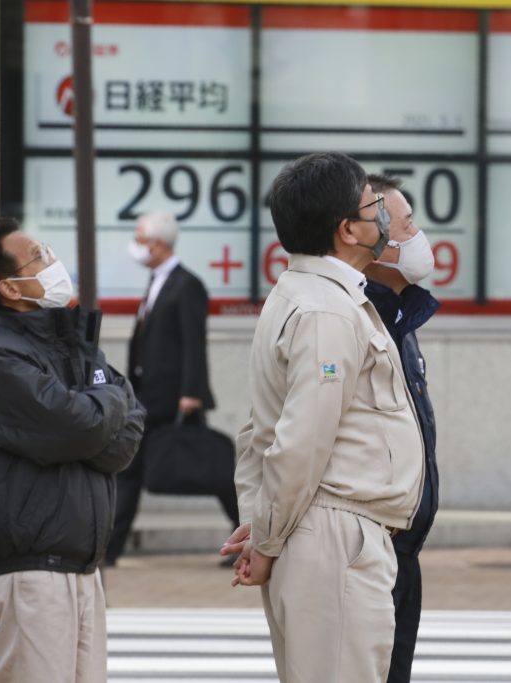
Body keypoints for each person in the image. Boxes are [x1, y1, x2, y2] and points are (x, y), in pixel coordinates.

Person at [223, 152, 425, 683]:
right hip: (333, 531)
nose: (383, 214)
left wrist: (259, 525)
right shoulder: (326, 311)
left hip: (317, 528)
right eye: (373, 206)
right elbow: (298, 442)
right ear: (347, 230)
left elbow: (255, 435)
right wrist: (263, 540)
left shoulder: (307, 297)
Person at [0, 218, 145, 682]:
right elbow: (85, 428)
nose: (53, 261)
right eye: (38, 256)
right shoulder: (0, 361)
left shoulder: (76, 347)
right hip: (33, 569)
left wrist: (97, 415)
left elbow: (127, 433)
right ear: (10, 287)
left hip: (83, 566)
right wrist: (102, 411)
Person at [107, 211, 236, 566]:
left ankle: (248, 534)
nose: (136, 247)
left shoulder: (186, 284)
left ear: (159, 244)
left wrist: (192, 392)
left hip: (174, 397)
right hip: (149, 394)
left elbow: (194, 341)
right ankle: (110, 547)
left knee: (214, 470)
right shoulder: (158, 281)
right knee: (135, 470)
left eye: (141, 239)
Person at [362, 174, 440, 683]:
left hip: (401, 550)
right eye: (407, 225)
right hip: (371, 550)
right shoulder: (360, 318)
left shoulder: (398, 317)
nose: (418, 238)